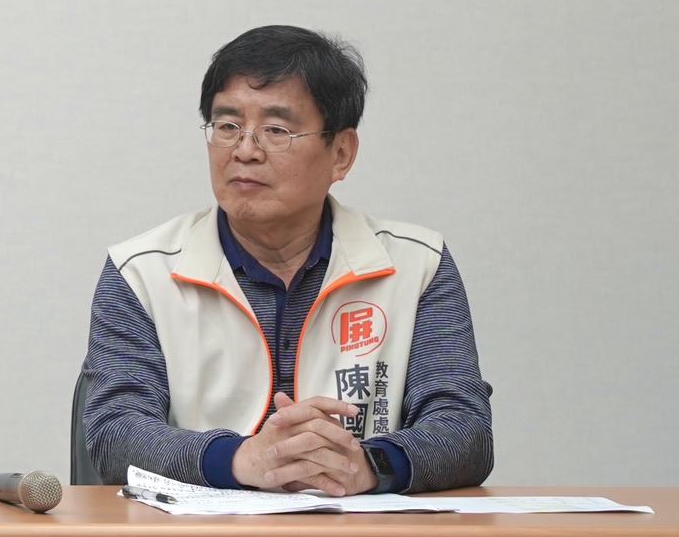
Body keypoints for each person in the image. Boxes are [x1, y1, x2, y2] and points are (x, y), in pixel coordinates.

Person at [81, 26, 492, 495]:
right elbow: (115, 432)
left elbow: (464, 429)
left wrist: (368, 464)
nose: (245, 151)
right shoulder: (142, 271)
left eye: (276, 130)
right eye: (227, 126)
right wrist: (241, 460)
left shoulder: (417, 265)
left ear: (341, 153)